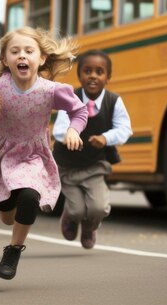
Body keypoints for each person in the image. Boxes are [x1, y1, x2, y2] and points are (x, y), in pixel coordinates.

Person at [0, 26, 87, 280]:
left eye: (29, 51)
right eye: (15, 51)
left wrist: (74, 130)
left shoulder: (51, 90)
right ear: (5, 60)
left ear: (41, 58)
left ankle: (14, 250)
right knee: (8, 212)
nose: (22, 56)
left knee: (30, 196)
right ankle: (7, 206)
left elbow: (79, 111)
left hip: (35, 155)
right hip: (3, 153)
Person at [52, 49, 132, 249]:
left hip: (96, 166)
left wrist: (106, 138)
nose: (93, 76)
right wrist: (72, 134)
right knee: (77, 209)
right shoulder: (70, 98)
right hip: (69, 167)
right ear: (79, 75)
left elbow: (125, 129)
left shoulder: (114, 101)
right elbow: (59, 130)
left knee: (98, 208)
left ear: (108, 77)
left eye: (99, 71)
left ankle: (89, 227)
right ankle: (70, 218)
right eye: (87, 71)